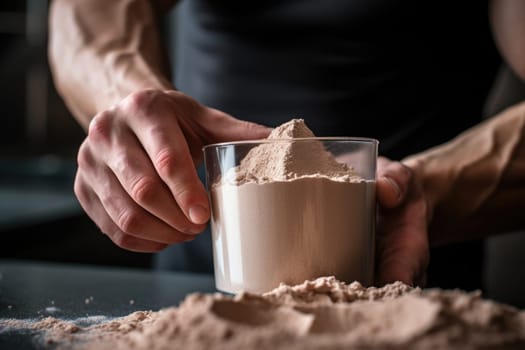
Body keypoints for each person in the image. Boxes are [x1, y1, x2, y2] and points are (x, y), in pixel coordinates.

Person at [47, 0, 525, 289]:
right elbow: (87, 14)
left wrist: (418, 191)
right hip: (202, 273)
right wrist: (136, 116)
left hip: (402, 273)